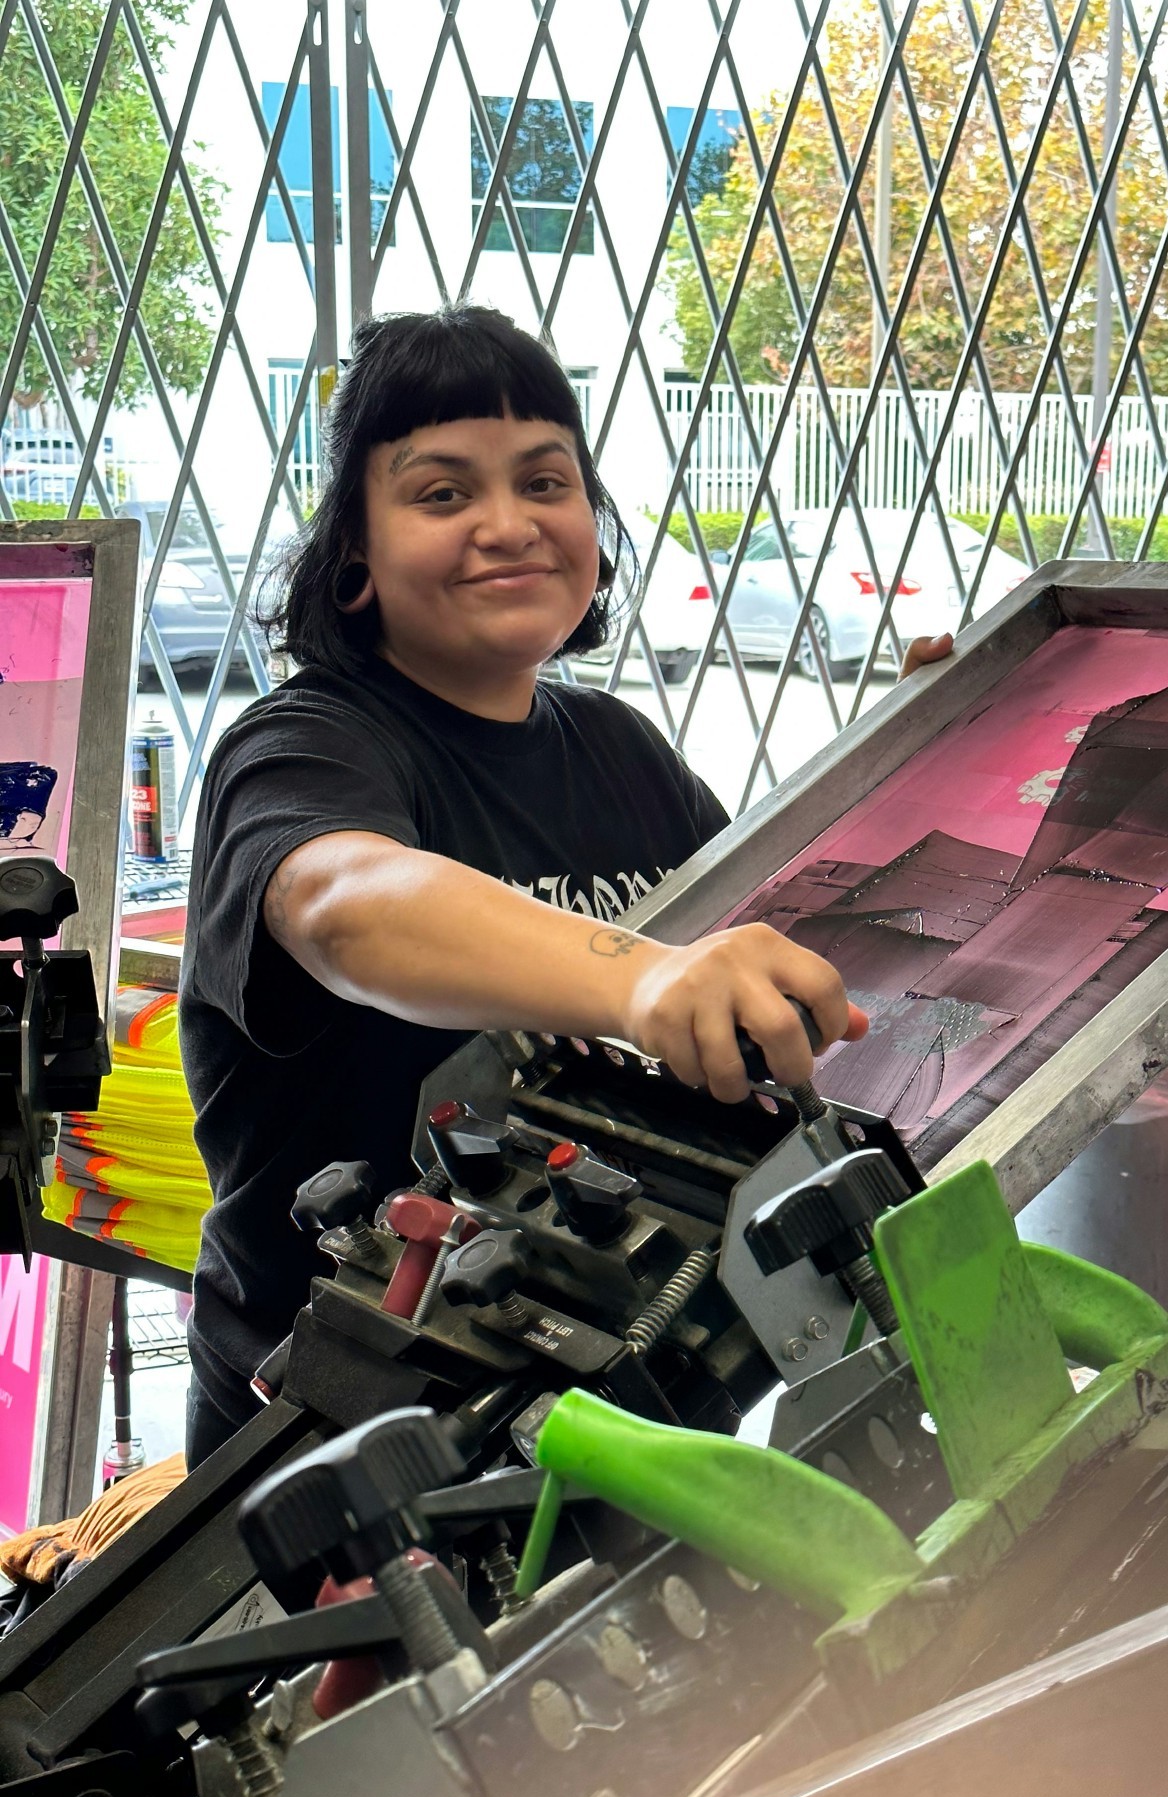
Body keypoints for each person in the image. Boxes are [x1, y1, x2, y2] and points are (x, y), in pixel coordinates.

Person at [179, 303, 953, 1467]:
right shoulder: (303, 747)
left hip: (611, 1409)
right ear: (354, 552)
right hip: (336, 1445)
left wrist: (914, 770)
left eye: (546, 482)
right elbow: (347, 904)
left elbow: (764, 962)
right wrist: (640, 980)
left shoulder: (619, 747)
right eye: (442, 494)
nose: (509, 525)